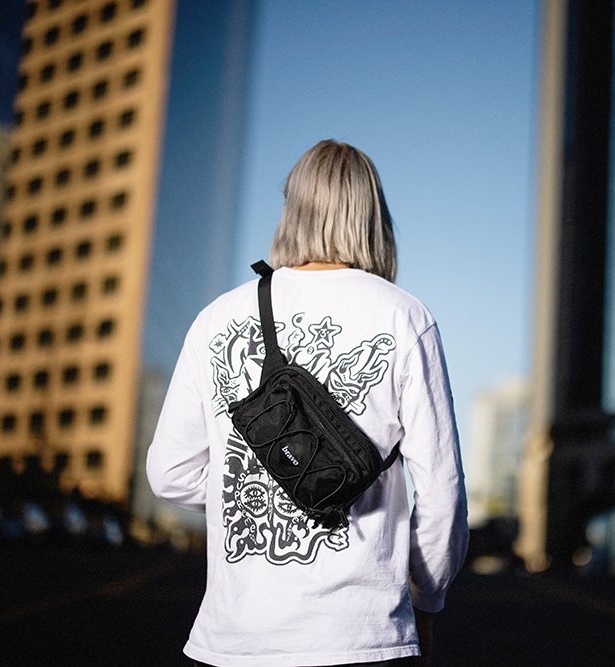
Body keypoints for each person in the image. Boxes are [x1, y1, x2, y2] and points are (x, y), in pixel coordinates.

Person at [147, 139, 469, 667]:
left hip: (232, 643)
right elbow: (441, 496)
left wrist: (250, 489)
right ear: (373, 217)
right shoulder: (405, 316)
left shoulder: (216, 318)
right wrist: (426, 604)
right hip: (362, 640)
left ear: (291, 210)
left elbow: (169, 474)